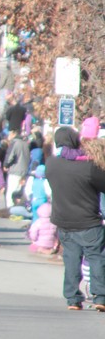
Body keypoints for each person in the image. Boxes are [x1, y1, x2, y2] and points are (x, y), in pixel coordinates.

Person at [44, 126, 105, 311]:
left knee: (71, 259)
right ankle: (100, 296)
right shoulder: (88, 166)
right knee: (96, 258)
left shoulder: (52, 165)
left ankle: (72, 298)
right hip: (88, 221)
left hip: (63, 221)